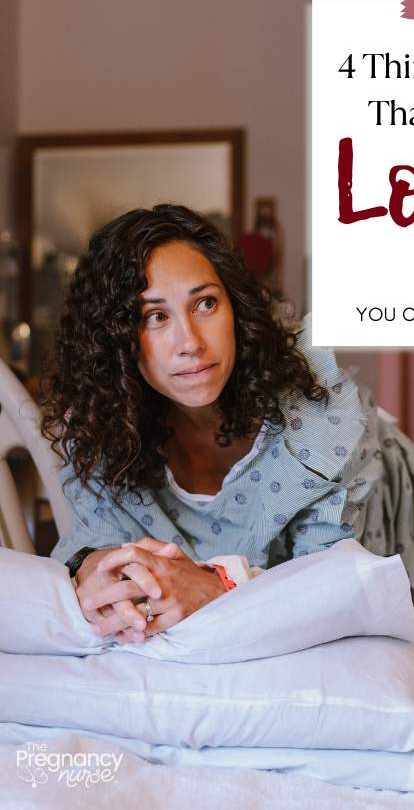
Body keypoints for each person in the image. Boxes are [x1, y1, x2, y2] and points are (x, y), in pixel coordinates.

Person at [42, 204, 372, 645]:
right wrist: (98, 570)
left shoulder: (313, 416)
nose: (191, 344)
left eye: (205, 303)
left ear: (234, 308)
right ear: (116, 340)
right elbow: (98, 539)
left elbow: (337, 590)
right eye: (155, 317)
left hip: (367, 477)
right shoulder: (102, 433)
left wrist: (220, 586)